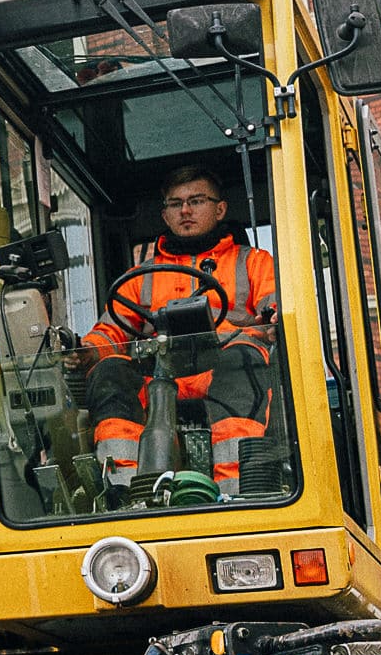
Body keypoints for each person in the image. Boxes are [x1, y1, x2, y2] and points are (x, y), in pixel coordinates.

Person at [80, 164, 279, 497]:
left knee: (244, 360)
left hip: (226, 372)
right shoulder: (140, 277)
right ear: (166, 214)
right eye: (175, 204)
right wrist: (86, 351)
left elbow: (276, 311)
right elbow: (110, 332)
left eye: (196, 201)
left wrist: (272, 324)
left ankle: (238, 489)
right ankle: (125, 492)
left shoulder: (254, 263)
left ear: (220, 209)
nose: (185, 210)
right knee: (110, 371)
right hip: (157, 383)